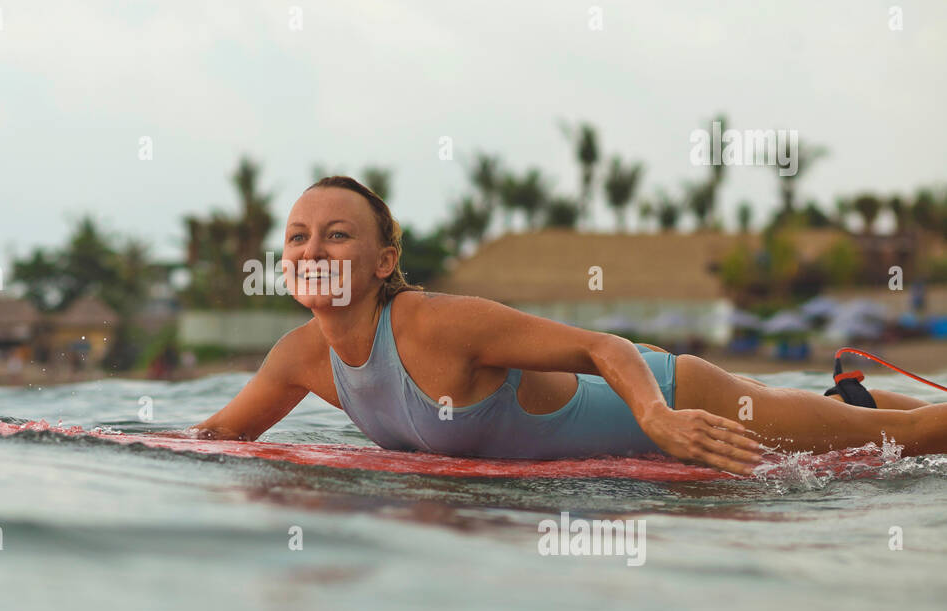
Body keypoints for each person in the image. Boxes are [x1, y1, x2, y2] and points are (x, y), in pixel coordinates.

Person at [185, 177, 946, 475]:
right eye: (297, 236)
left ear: (385, 261)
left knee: (913, 441)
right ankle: (848, 398)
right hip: (659, 419)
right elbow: (215, 438)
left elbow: (599, 345)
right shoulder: (296, 359)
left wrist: (661, 418)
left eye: (338, 233)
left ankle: (850, 406)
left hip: (683, 399)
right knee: (866, 420)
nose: (312, 248)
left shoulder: (436, 325)